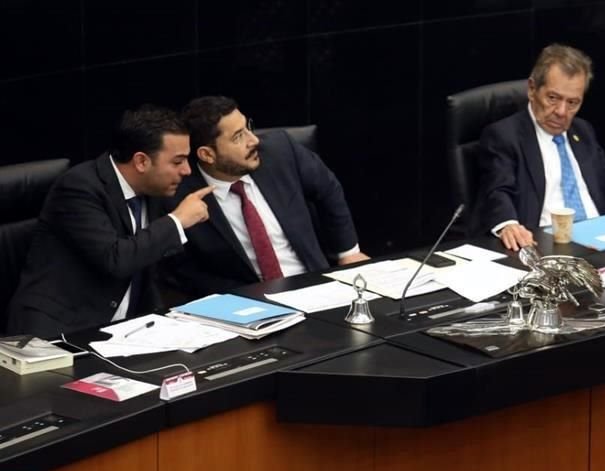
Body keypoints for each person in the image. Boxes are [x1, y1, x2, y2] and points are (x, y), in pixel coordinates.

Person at [6, 106, 212, 337]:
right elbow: (116, 259)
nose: (187, 170)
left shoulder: (155, 188)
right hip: (61, 329)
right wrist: (176, 221)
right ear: (141, 162)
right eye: (178, 161)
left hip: (128, 328)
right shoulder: (79, 187)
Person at [474, 44, 605, 251]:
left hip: (601, 242)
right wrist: (508, 225)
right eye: (553, 98)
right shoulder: (505, 135)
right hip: (546, 245)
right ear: (532, 89)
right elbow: (498, 191)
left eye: (572, 103)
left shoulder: (583, 131)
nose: (561, 111)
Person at [164, 96, 368, 298]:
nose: (254, 140)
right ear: (207, 155)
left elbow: (328, 189)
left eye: (248, 127)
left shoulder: (280, 151)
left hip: (313, 283)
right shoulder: (179, 196)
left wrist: (348, 253)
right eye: (238, 137)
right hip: (247, 301)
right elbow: (182, 271)